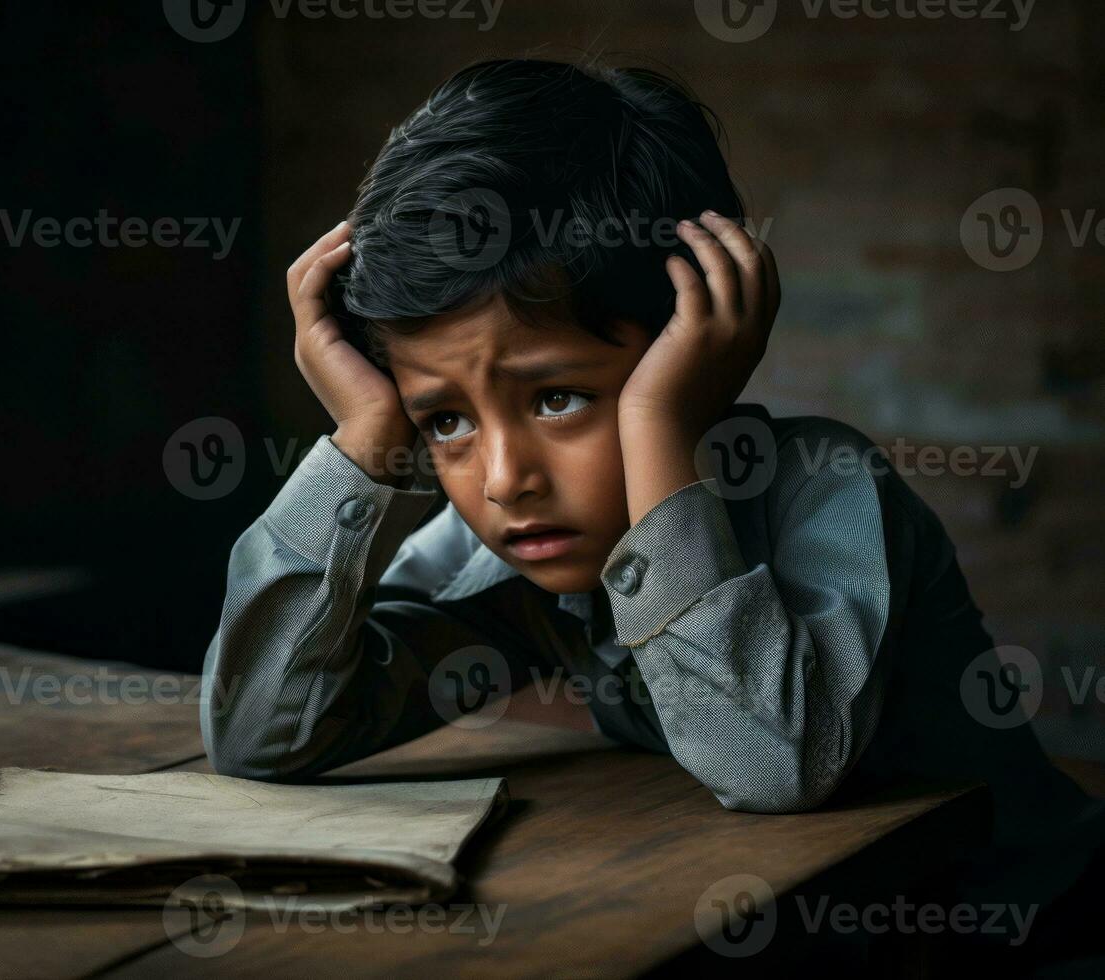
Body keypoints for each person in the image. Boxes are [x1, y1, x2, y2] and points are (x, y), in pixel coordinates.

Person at [200, 57, 1103, 966]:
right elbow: (260, 736)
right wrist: (363, 436)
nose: (505, 479)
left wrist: (655, 424)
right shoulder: (505, 562)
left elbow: (772, 766)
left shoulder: (826, 487)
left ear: (692, 342)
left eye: (557, 398)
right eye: (444, 420)